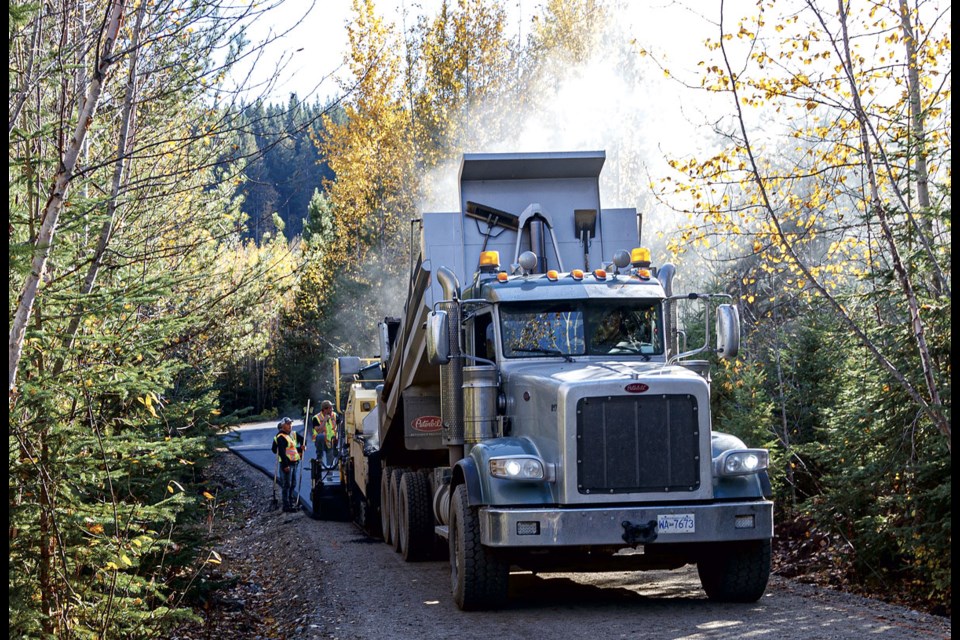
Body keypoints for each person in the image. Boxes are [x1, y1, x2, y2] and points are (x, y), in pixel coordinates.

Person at [271, 417, 304, 512]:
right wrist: (285, 465)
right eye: (288, 424)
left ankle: (291, 501)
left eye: (290, 423)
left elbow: (300, 442)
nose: (290, 425)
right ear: (282, 426)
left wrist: (301, 449)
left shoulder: (293, 434)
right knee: (287, 484)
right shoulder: (280, 437)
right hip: (287, 464)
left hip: (295, 463)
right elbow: (280, 452)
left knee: (293, 483)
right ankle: (286, 505)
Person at [311, 400, 338, 474]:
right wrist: (325, 420)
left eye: (332, 408)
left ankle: (330, 476)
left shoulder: (334, 415)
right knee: (320, 436)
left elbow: (340, 426)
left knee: (330, 459)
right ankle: (319, 458)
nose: (331, 410)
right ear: (324, 409)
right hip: (321, 442)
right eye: (330, 408)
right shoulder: (316, 418)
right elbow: (318, 431)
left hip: (331, 442)